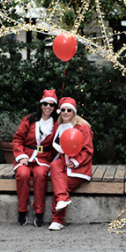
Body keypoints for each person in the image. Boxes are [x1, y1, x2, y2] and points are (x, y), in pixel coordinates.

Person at [12, 89, 58, 227]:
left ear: (55, 107)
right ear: (41, 104)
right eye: (45, 104)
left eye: (51, 105)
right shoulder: (29, 120)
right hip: (25, 156)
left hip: (43, 158)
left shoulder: (56, 124)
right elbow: (17, 139)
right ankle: (22, 210)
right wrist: (21, 157)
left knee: (40, 174)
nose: (48, 107)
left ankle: (39, 212)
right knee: (22, 174)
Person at [47, 97, 93, 231]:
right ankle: (62, 199)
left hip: (79, 168)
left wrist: (75, 161)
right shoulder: (58, 126)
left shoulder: (82, 127)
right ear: (59, 111)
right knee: (55, 165)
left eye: (69, 110)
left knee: (60, 184)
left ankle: (57, 220)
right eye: (63, 110)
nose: (66, 112)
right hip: (63, 164)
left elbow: (88, 150)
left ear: (74, 112)